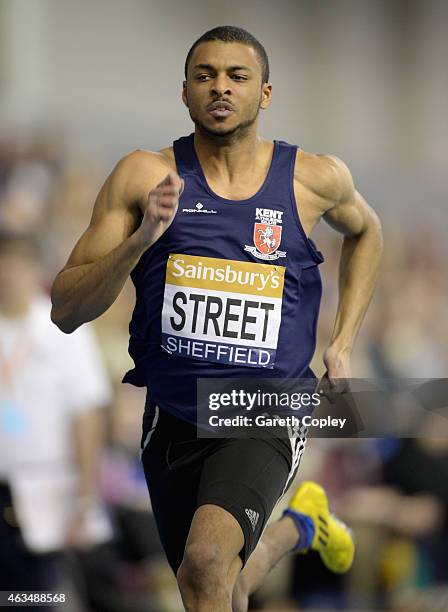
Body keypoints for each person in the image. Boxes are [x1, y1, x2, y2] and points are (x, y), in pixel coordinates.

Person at [51, 25, 383, 612]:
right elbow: (65, 309)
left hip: (267, 404)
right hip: (174, 413)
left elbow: (368, 232)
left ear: (266, 93)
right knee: (211, 585)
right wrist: (141, 241)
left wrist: (344, 342)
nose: (220, 89)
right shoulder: (142, 176)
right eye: (205, 76)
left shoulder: (312, 179)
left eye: (237, 77)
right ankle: (298, 527)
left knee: (205, 561)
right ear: (184, 92)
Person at [0, 230, 113, 600]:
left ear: (35, 269)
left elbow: (87, 415)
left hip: (44, 487)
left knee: (36, 595)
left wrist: (84, 497)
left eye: (17, 265)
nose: (9, 275)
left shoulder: (63, 329)